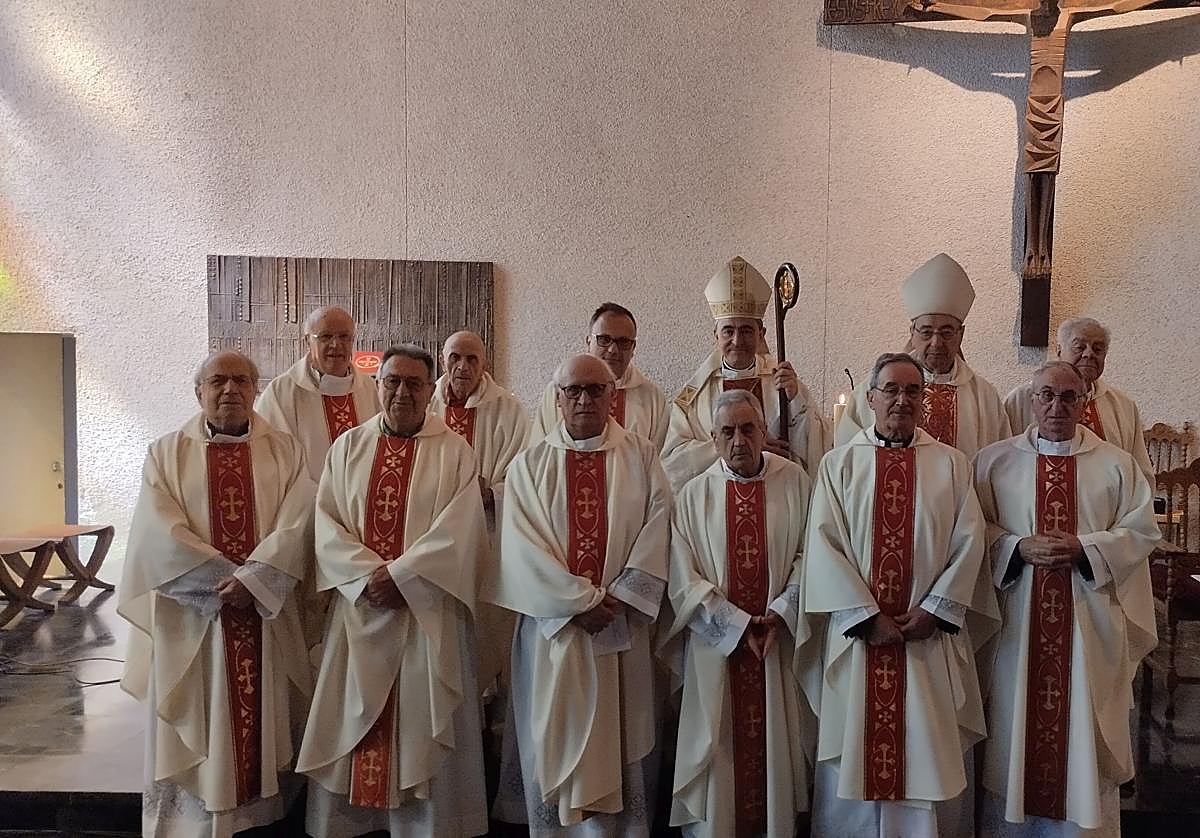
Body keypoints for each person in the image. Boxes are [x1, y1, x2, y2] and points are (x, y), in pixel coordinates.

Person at [119, 350, 316, 837]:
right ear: (199, 391)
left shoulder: (286, 451)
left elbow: (300, 521)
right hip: (194, 618)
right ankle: (191, 819)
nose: (230, 390)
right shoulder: (165, 452)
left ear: (256, 389)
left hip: (262, 615)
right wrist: (223, 582)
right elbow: (157, 533)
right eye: (218, 381)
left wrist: (256, 580)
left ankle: (256, 817)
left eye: (241, 381)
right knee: (198, 710)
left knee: (262, 717)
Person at [296, 345, 488, 838]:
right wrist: (366, 576)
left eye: (414, 384)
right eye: (392, 382)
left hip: (425, 614)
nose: (402, 392)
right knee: (353, 712)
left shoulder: (454, 451)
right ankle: (354, 822)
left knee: (422, 720)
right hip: (360, 611)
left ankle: (424, 825)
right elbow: (327, 522)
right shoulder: (348, 447)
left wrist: (401, 576)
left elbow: (461, 529)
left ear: (431, 389)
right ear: (376, 383)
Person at [804, 352, 998, 838]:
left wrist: (937, 609)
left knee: (926, 750)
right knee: (857, 750)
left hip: (926, 639)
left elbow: (970, 542)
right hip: (861, 639)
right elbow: (823, 546)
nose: (902, 400)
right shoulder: (839, 463)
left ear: (924, 401)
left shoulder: (951, 466)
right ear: (870, 398)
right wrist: (866, 616)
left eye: (913, 391)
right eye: (891, 389)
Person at [488, 354, 671, 836]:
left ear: (613, 396)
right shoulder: (529, 465)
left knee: (622, 732)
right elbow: (521, 549)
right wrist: (581, 603)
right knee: (553, 734)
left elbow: (658, 529)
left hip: (621, 629)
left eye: (596, 390)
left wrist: (621, 597)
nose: (585, 399)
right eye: (574, 391)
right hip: (557, 634)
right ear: (558, 397)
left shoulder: (643, 456)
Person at [975, 361, 1159, 837]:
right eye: (1046, 396)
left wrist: (1085, 547)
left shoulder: (1117, 465)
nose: (1056, 406)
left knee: (1082, 730)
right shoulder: (995, 461)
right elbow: (973, 532)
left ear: (1084, 401)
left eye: (1068, 397)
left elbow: (1140, 532)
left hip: (1088, 626)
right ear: (1030, 400)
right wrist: (1016, 546)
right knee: (1015, 733)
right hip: (1017, 621)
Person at [662, 389, 816, 837]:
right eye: (727, 432)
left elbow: (813, 555)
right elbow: (682, 578)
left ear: (764, 430)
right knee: (720, 746)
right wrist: (735, 624)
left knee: (775, 747)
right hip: (717, 651)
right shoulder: (693, 496)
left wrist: (783, 611)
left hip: (777, 644)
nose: (738, 440)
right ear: (712, 439)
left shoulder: (796, 481)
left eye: (748, 429)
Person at [662, 256, 830, 492]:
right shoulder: (694, 397)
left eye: (747, 331)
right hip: (718, 501)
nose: (737, 341)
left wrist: (797, 402)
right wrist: (743, 446)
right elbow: (672, 463)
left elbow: (818, 448)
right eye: (728, 331)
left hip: (776, 497)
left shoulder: (782, 383)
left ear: (761, 333)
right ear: (716, 335)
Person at [835, 253, 1010, 460]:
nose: (936, 342)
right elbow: (846, 457)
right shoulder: (877, 388)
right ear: (912, 333)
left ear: (960, 334)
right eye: (926, 332)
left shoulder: (984, 397)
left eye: (946, 332)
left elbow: (999, 464)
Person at [1004, 317, 1154, 483]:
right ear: (1059, 350)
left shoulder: (1123, 406)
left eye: (1097, 349)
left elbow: (1139, 474)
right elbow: (1003, 461)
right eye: (1079, 347)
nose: (1088, 354)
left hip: (1104, 506)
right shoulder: (1021, 399)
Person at [255, 306, 380, 481]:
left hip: (358, 501)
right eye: (326, 336)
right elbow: (271, 461)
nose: (336, 345)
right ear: (307, 341)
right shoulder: (280, 394)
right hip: (305, 503)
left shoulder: (370, 389)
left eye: (344, 336)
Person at [529, 302, 669, 451]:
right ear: (589, 342)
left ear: (633, 348)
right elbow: (539, 452)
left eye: (623, 342)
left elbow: (660, 459)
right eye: (604, 339)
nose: (612, 349)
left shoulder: (652, 398)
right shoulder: (561, 390)